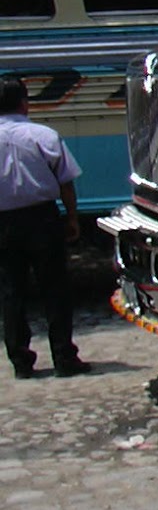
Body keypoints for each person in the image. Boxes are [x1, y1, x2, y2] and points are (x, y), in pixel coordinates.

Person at [0, 75, 90, 379]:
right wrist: (72, 218)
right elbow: (66, 183)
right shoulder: (44, 136)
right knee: (55, 290)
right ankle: (64, 356)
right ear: (25, 103)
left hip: (3, 225)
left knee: (11, 292)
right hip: (42, 220)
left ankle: (21, 361)